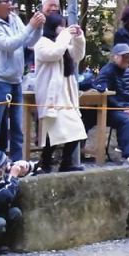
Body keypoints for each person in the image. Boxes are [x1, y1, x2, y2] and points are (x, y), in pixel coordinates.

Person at [0, 0, 45, 160]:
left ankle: (17, 165)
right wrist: (31, 26)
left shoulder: (14, 18)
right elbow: (9, 44)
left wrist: (38, 28)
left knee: (17, 128)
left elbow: (29, 42)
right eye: (6, 1)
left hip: (16, 81)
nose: (11, 4)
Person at [33, 15, 87, 172]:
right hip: (51, 95)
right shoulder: (42, 44)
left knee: (76, 130)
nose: (63, 29)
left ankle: (64, 163)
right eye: (60, 26)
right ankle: (46, 163)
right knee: (54, 132)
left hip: (66, 95)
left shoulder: (62, 44)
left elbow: (78, 55)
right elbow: (54, 53)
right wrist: (65, 36)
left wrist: (78, 38)